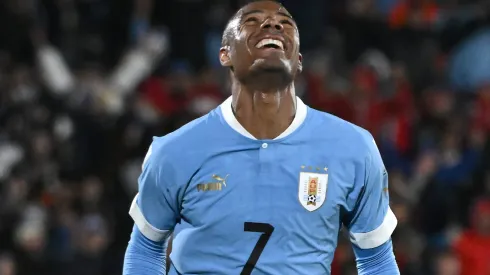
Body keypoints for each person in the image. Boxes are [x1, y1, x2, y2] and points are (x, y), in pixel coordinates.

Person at [123, 1, 399, 274]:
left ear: (298, 60)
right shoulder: (174, 151)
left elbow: (376, 260)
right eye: (252, 21)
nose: (273, 24)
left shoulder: (353, 148)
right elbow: (146, 249)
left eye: (286, 23)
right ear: (225, 55)